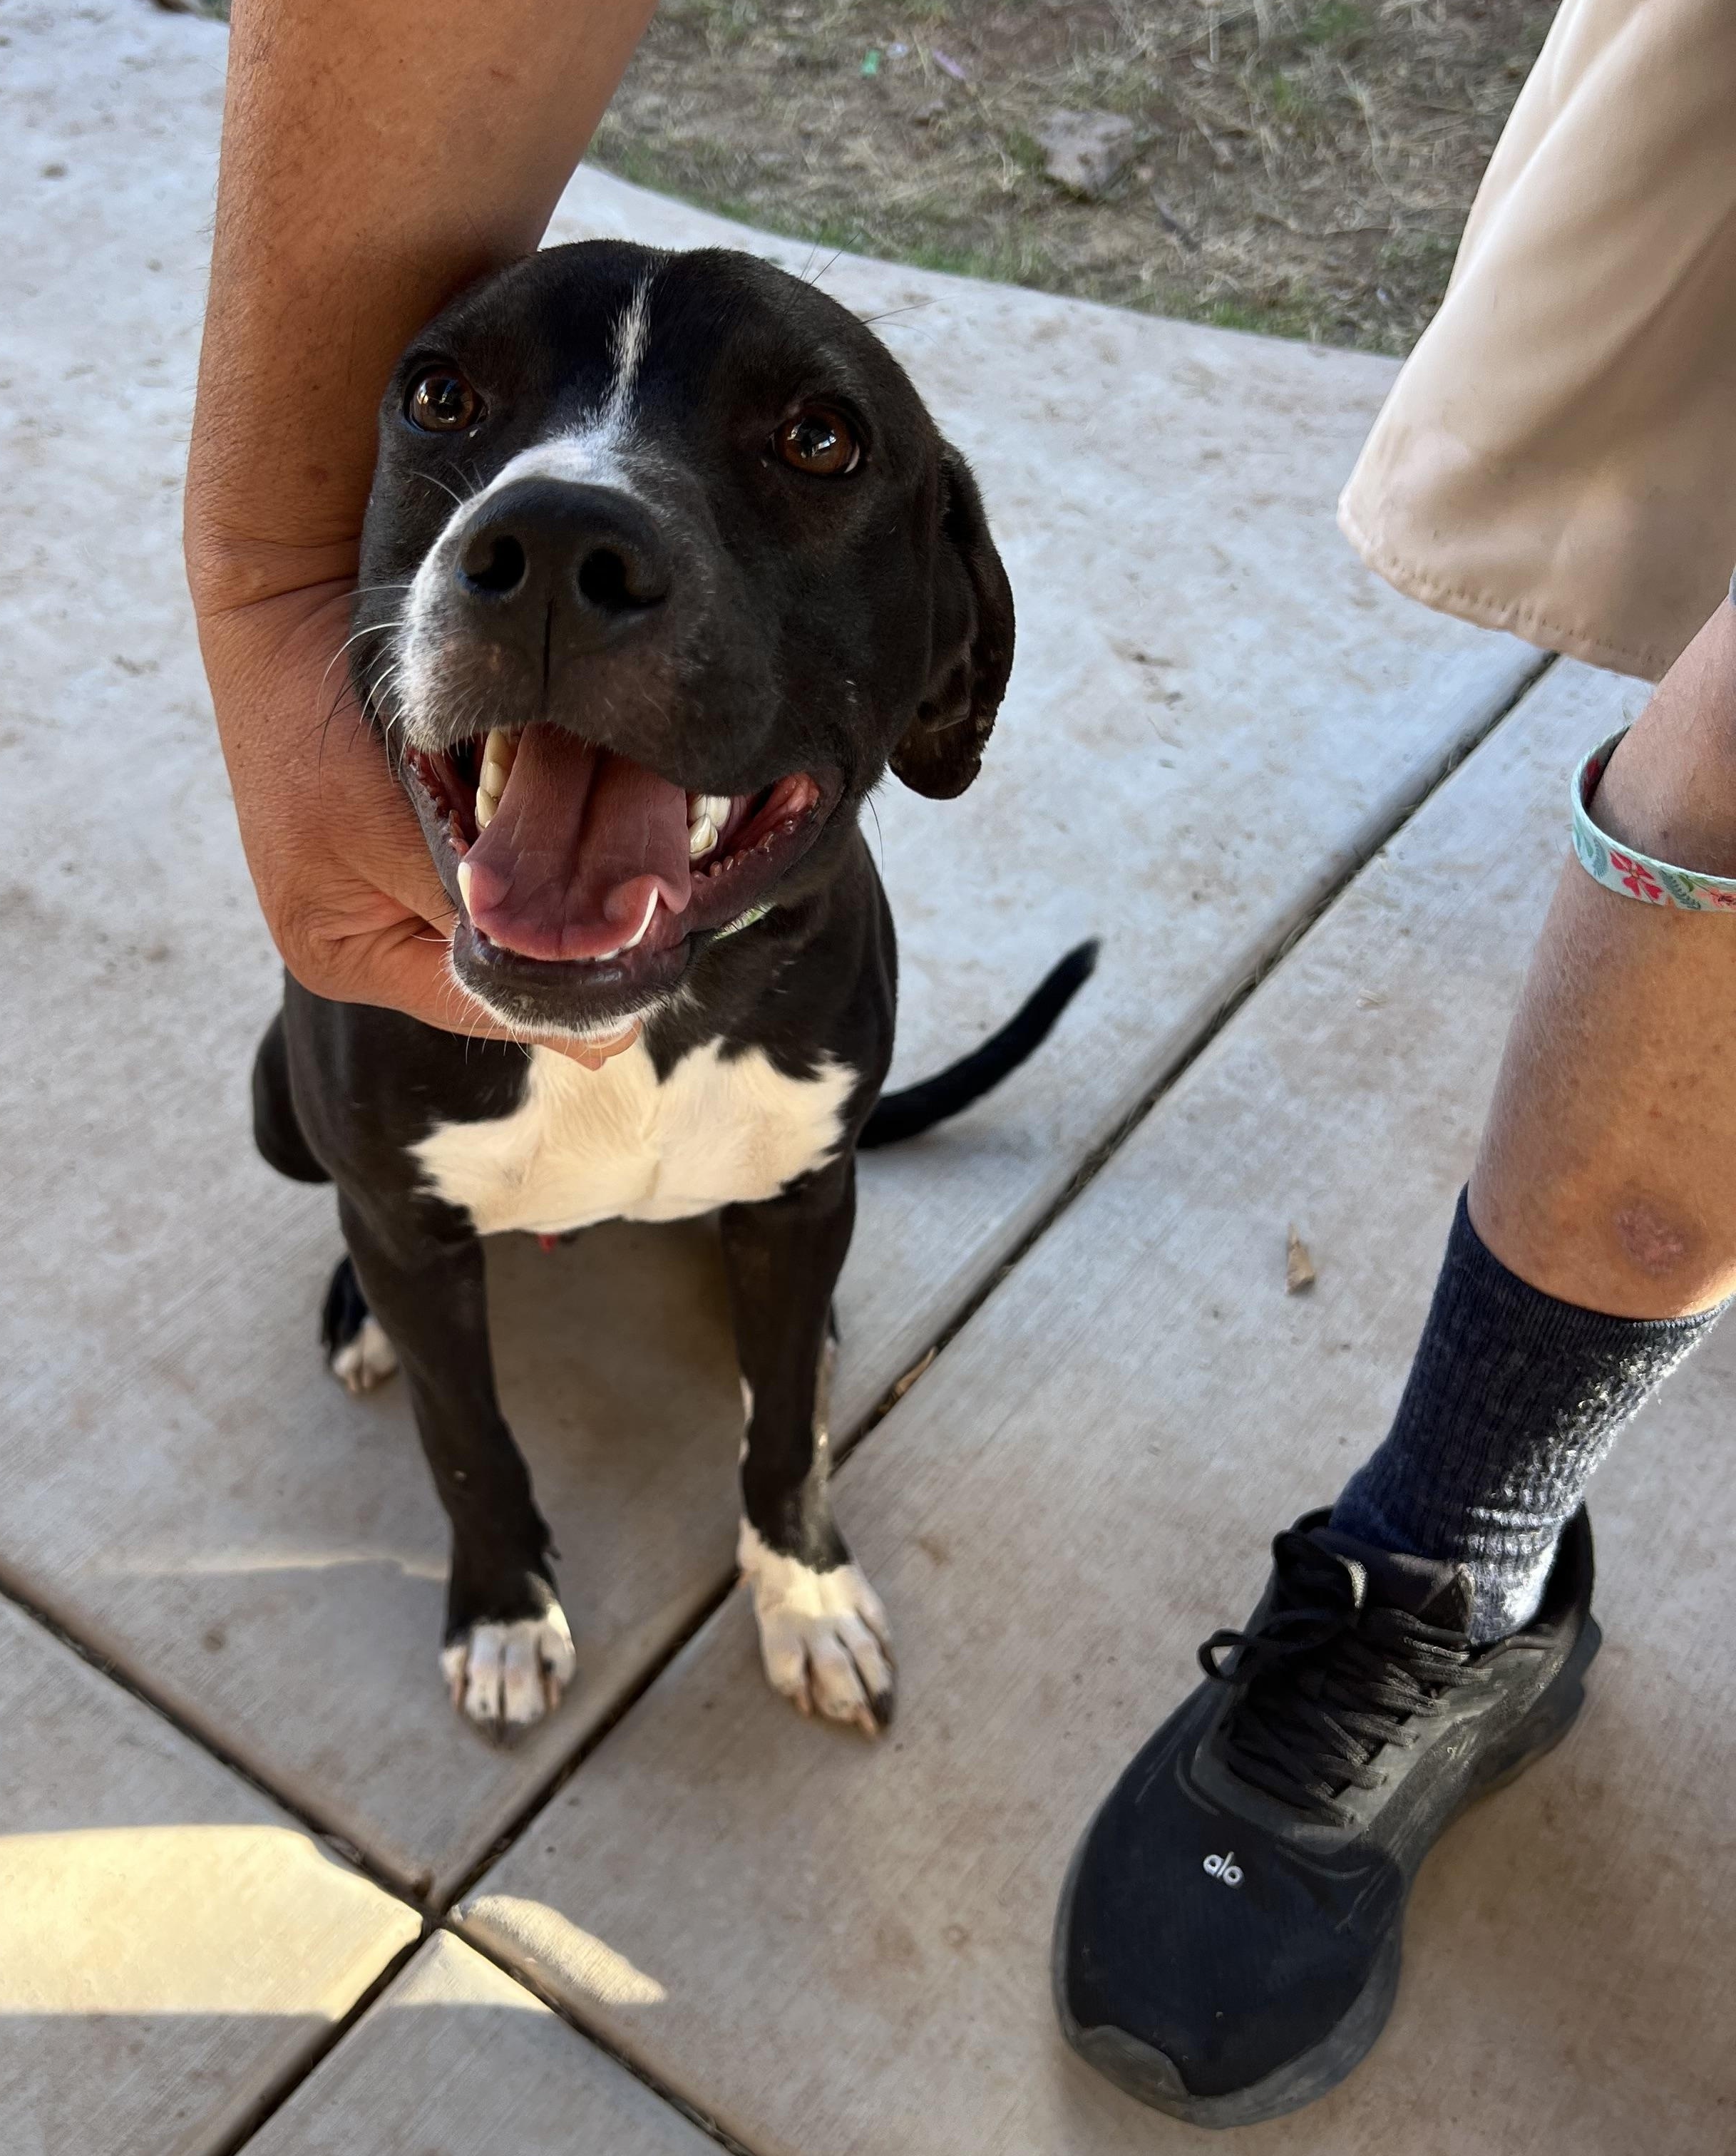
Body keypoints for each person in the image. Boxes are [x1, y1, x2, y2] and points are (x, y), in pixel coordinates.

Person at [185, 0, 1736, 2124]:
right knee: (340, 1167)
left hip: (754, 1115)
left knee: (775, 1209)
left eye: (805, 449)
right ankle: (485, 1512)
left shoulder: (824, 971)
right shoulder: (385, 998)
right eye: (460, 409)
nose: (565, 530)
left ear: (950, 661)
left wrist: (788, 1530)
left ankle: (786, 1525)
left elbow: (801, 1200)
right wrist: (257, 590)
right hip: (437, 1148)